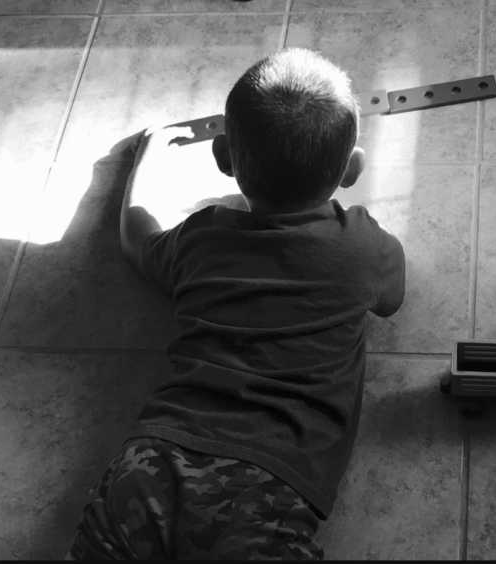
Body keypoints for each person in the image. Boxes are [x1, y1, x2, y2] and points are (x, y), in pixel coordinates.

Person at [67, 47, 406, 560]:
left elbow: (136, 238)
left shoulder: (200, 239)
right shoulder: (359, 246)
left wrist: (146, 160)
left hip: (153, 456)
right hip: (266, 477)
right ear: (353, 169)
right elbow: (393, 297)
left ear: (224, 158)